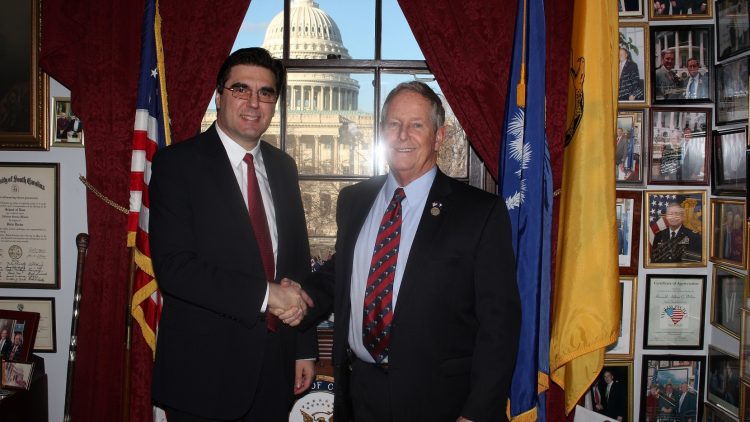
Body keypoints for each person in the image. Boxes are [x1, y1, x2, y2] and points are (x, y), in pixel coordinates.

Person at [299, 81, 521, 422]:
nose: (402, 135)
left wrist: (477, 413)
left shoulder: (479, 212)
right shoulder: (354, 200)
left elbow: (500, 325)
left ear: (439, 136)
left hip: (440, 402)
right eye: (393, 124)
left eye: (416, 125)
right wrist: (298, 297)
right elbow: (342, 275)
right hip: (360, 395)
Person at [149, 47, 317, 421]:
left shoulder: (284, 167)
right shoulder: (177, 165)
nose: (253, 103)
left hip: (274, 371)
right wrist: (266, 294)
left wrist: (303, 346)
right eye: (241, 89)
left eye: (266, 92)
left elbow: (296, 261)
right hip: (203, 376)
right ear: (219, 94)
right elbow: (176, 269)